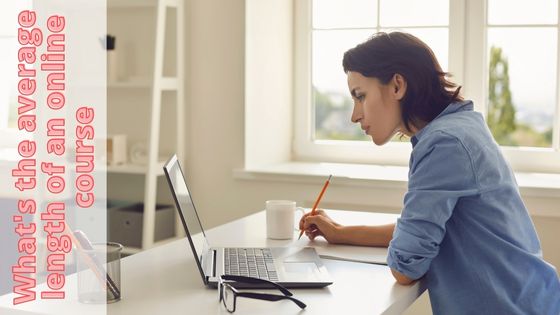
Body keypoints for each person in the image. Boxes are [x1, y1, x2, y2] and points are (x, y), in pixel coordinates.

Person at [299, 32, 560, 315]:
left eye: (360, 96)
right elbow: (423, 231)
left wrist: (404, 244)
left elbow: (405, 266)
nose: (355, 115)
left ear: (397, 85)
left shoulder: (444, 144)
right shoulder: (461, 125)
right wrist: (340, 233)